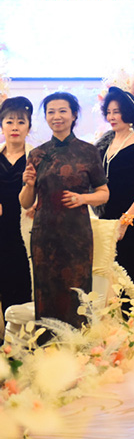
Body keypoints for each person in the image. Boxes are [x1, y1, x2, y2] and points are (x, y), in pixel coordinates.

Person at [20, 92, 109, 330]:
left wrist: (83, 198)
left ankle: (79, 345)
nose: (56, 116)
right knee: (45, 292)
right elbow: (26, 202)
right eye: (50, 112)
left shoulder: (88, 151)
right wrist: (29, 185)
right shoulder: (37, 154)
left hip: (76, 236)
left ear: (74, 115)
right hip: (44, 237)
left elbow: (104, 193)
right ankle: (46, 345)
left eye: (62, 111)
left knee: (77, 292)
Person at [95, 88, 134, 297]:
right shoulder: (107, 143)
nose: (111, 117)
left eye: (117, 112)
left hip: (130, 217)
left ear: (127, 113)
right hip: (107, 214)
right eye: (109, 112)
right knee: (110, 269)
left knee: (131, 270)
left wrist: (125, 220)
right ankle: (113, 314)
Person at [0, 97, 34, 312]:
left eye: (21, 122)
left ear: (28, 127)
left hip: (24, 228)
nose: (15, 127)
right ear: (1, 125)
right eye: (9, 121)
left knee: (22, 284)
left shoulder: (37, 158)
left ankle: (21, 332)